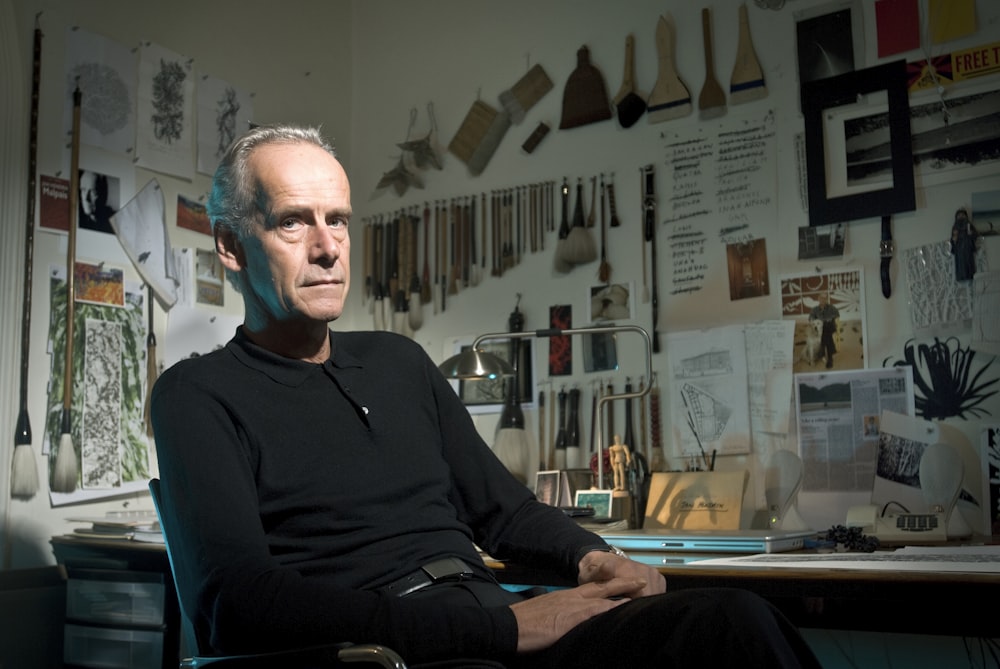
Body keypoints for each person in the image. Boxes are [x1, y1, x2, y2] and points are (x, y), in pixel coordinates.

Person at [151, 124, 821, 668]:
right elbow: (238, 603)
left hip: (494, 620)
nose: (329, 248)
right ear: (232, 247)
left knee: (731, 622)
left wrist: (596, 556)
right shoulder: (198, 395)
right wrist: (493, 627)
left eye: (339, 220)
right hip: (393, 655)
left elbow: (506, 511)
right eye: (294, 223)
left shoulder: (399, 362)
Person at [78, 169, 115, 233]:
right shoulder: (80, 221)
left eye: (93, 192)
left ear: (103, 195)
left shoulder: (113, 224)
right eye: (83, 190)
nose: (86, 198)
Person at [809, 293, 839, 369]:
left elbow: (837, 315)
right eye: (821, 298)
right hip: (819, 328)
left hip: (829, 327)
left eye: (825, 298)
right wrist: (813, 321)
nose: (823, 300)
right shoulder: (815, 309)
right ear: (818, 299)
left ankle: (829, 358)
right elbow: (811, 318)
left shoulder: (831, 308)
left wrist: (831, 319)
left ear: (827, 299)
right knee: (822, 333)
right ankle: (826, 354)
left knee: (826, 332)